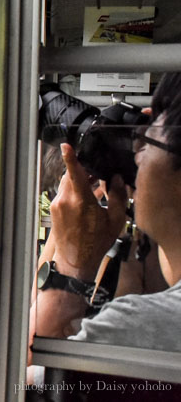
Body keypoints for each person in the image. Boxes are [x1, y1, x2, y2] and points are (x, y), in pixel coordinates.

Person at [31, 72, 181, 352]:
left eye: (147, 141)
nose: (136, 153)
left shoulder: (142, 324)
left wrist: (71, 264)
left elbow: (21, 381)